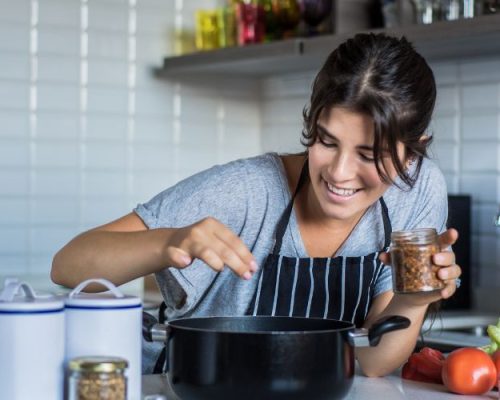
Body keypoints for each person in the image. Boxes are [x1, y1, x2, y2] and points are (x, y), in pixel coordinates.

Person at [51, 32, 462, 377]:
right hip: (188, 387)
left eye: (369, 155)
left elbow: (370, 361)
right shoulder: (249, 190)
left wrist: (413, 300)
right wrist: (168, 241)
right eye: (326, 141)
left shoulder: (417, 191)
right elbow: (68, 264)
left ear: (414, 151)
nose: (339, 173)